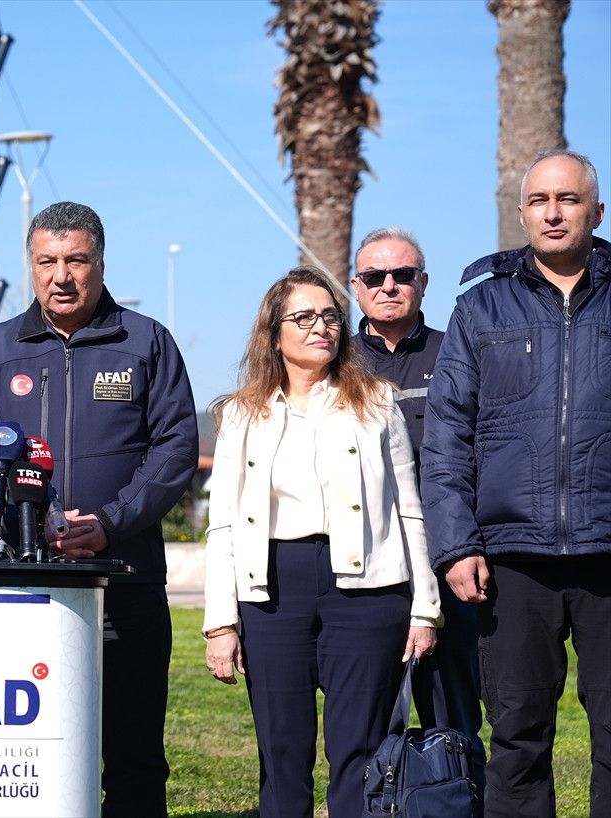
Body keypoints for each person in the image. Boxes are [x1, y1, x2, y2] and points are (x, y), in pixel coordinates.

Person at [0, 200, 198, 818]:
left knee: (134, 757)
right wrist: (31, 520)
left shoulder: (146, 342)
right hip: (25, 586)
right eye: (47, 262)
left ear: (101, 263)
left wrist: (110, 523)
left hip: (126, 586)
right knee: (28, 755)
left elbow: (175, 449)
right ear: (31, 266)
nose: (61, 276)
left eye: (76, 261)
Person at [202, 266, 440, 817]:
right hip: (272, 592)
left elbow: (409, 509)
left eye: (330, 317)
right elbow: (224, 524)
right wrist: (220, 624)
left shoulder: (377, 401)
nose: (321, 327)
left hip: (368, 592)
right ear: (273, 333)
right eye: (304, 317)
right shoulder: (239, 414)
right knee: (281, 752)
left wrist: (425, 609)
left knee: (360, 751)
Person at [422, 148, 610, 817]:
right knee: (517, 736)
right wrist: (456, 545)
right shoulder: (481, 309)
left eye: (568, 199)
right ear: (522, 213)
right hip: (511, 558)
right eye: (539, 201)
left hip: (608, 549)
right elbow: (446, 437)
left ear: (597, 211)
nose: (553, 213)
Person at [351, 228, 484, 754]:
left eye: (402, 275)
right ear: (356, 287)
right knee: (367, 717)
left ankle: (456, 790)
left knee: (454, 714)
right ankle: (377, 794)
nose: (388, 286)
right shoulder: (335, 364)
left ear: (423, 282)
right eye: (374, 276)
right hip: (366, 566)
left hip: (447, 555)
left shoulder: (457, 353)